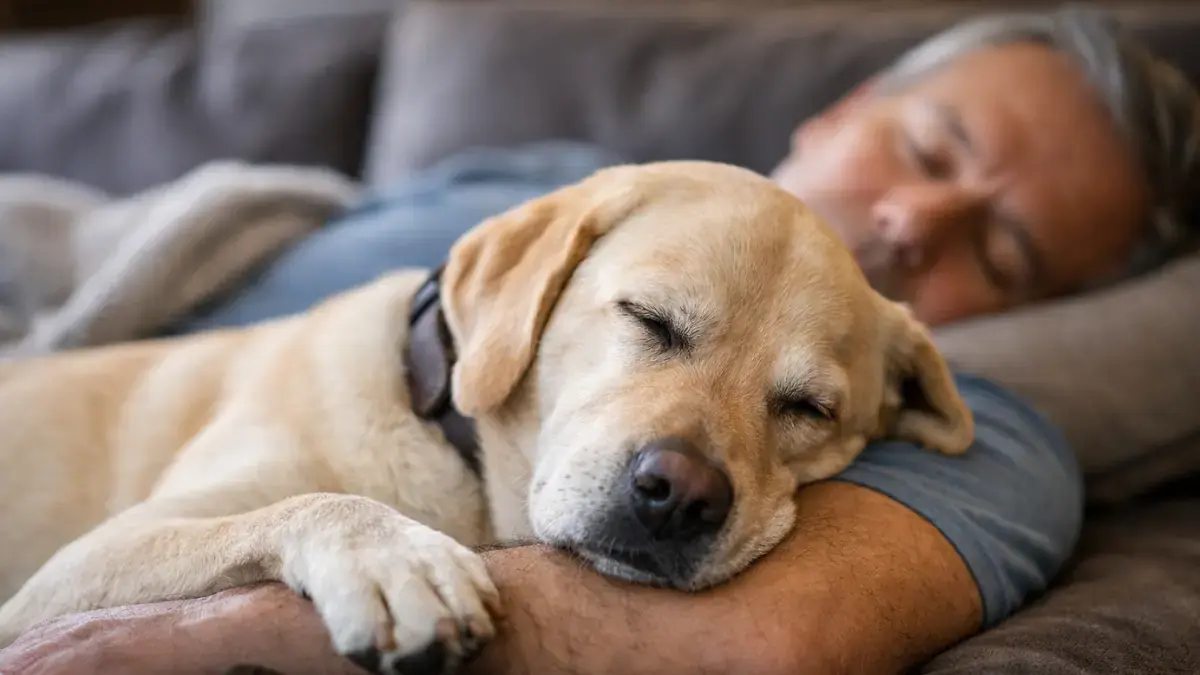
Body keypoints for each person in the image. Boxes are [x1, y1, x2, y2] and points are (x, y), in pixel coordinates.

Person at [3, 5, 1198, 675]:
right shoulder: (570, 199)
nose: (911, 220)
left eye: (1004, 256)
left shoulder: (968, 422)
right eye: (931, 154)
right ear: (846, 110)